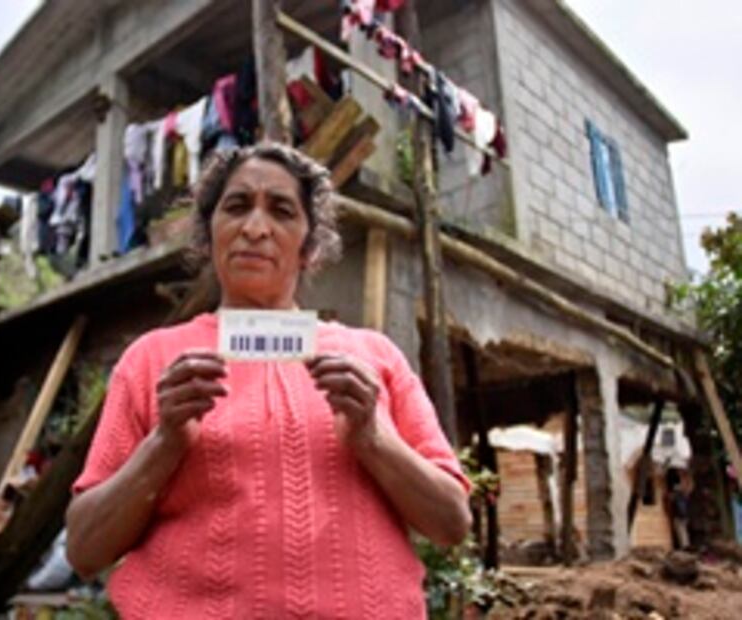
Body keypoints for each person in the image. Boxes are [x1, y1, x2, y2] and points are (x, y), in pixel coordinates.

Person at [65, 143, 471, 618]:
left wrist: (373, 437)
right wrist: (164, 443)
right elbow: (85, 549)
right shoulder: (150, 360)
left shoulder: (375, 357)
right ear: (210, 231)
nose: (255, 229)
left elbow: (451, 522)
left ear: (309, 246)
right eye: (236, 206)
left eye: (281, 211)